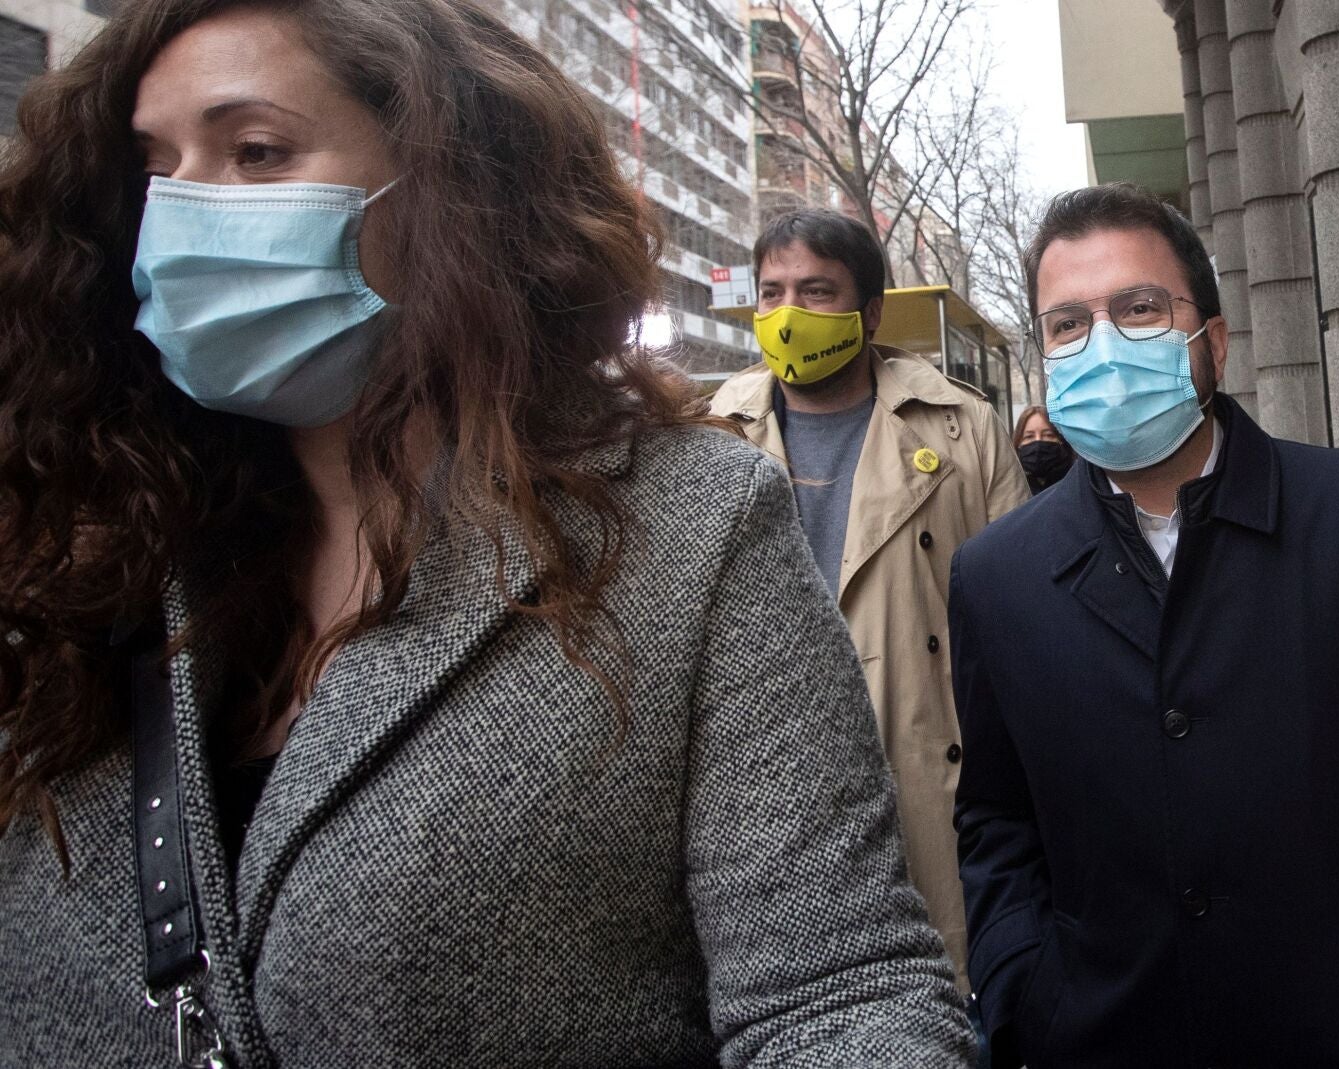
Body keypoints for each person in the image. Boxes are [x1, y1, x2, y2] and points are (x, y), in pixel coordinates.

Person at [0, 2, 975, 1065]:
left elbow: (836, 992)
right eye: (158, 168)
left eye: (258, 152)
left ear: (450, 188)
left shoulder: (690, 525)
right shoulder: (76, 536)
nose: (187, 212)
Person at [949, 182, 1339, 1068]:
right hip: (1101, 1036)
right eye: (1068, 324)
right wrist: (1025, 986)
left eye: (1139, 308)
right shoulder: (994, 575)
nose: (1102, 344)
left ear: (1212, 342)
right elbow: (995, 816)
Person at [710, 210, 1029, 996]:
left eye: (817, 291)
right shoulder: (709, 432)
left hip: (930, 796)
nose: (788, 314)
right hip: (763, 806)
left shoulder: (963, 430)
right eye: (773, 292)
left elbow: (1025, 630)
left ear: (871, 311)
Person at [1012, 405, 1073, 494]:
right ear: (1018, 443)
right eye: (1029, 436)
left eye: (1048, 435)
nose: (1038, 441)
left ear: (1061, 440)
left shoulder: (1078, 479)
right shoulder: (1010, 485)